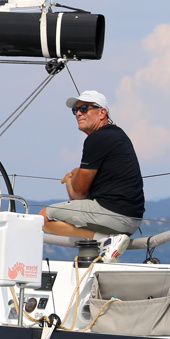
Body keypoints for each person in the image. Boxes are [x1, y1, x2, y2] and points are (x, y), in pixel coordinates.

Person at [39, 90, 144, 262]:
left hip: (114, 214)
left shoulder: (97, 138)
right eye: (76, 110)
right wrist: (73, 178)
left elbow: (79, 192)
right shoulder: (117, 134)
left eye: (84, 109)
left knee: (43, 217)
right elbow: (80, 199)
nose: (78, 114)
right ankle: (108, 241)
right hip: (132, 219)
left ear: (102, 113)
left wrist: (73, 175)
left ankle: (105, 240)